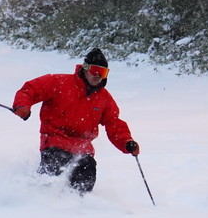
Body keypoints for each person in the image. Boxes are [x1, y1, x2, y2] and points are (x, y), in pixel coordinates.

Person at [12, 48, 140, 194]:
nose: (99, 76)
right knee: (52, 174)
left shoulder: (104, 98)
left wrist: (126, 142)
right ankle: (35, 199)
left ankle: (78, 209)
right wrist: (22, 105)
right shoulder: (59, 82)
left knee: (86, 175)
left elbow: (114, 123)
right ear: (85, 68)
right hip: (55, 140)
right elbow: (30, 90)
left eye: (103, 73)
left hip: (82, 148)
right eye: (95, 71)